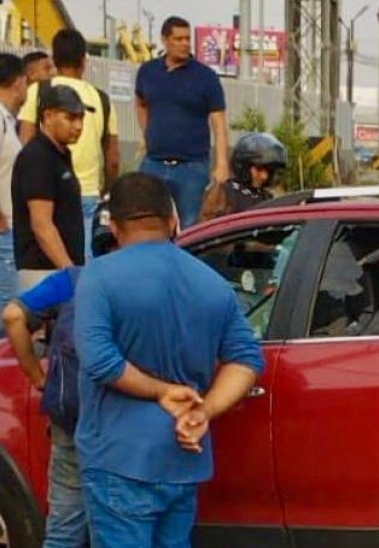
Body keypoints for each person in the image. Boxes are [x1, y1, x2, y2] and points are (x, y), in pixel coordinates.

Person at [74, 172, 264, 546]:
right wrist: (204, 411)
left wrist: (161, 391)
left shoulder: (99, 276)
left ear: (113, 227)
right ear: (173, 220)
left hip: (119, 459)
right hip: (183, 460)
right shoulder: (211, 282)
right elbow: (246, 360)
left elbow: (99, 361)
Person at [1, 212, 119, 548]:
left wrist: (37, 376)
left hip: (70, 414)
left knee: (64, 525)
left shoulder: (73, 280)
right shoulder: (151, 281)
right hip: (121, 419)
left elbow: (13, 315)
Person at [19, 29, 120, 259]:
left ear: (54, 59)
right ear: (84, 60)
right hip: (88, 194)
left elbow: (25, 142)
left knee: (45, 258)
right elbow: (113, 159)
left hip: (44, 194)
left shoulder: (39, 91)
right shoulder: (102, 99)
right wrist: (106, 189)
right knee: (84, 264)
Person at [136, 16, 231, 228]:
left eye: (188, 39)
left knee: (191, 226)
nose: (185, 44)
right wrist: (147, 134)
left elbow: (219, 124)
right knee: (148, 221)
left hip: (192, 168)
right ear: (165, 40)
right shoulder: (148, 72)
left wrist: (222, 164)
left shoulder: (206, 78)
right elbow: (141, 102)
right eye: (178, 39)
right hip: (154, 163)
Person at [13, 84, 86, 290]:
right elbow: (41, 223)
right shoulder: (37, 157)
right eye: (70, 118)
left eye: (81, 118)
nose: (79, 126)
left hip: (60, 270)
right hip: (43, 271)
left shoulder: (60, 155)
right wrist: (69, 271)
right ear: (48, 116)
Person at [199, 132, 288, 223]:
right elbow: (207, 225)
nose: (264, 176)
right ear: (244, 166)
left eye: (269, 171)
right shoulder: (225, 193)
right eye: (259, 169)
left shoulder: (266, 197)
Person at [0, 54, 26, 303]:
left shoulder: (8, 120)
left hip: (9, 229)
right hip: (3, 231)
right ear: (18, 82)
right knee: (6, 309)